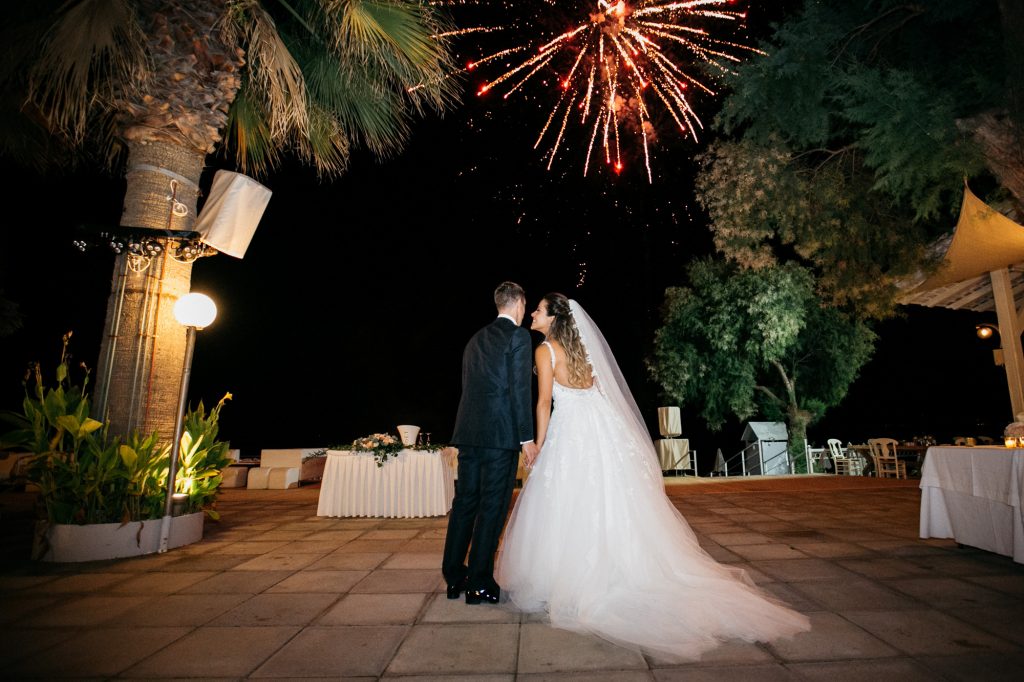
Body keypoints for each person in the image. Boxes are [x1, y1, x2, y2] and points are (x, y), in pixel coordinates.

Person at [496, 293, 811, 660]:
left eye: (538, 309)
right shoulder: (582, 350)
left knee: (568, 502)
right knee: (604, 500)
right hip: (598, 431)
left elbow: (544, 402)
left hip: (571, 433)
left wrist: (539, 443)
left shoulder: (545, 351)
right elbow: (597, 395)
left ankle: (569, 581)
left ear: (552, 319)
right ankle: (610, 571)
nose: (533, 313)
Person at [442, 281, 539, 605]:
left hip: (469, 435)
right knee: (492, 508)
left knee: (465, 504)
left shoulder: (475, 340)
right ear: (518, 303)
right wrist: (527, 439)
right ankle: (480, 583)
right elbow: (519, 390)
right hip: (500, 438)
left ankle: (455, 576)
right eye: (525, 305)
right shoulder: (518, 336)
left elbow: (469, 388)